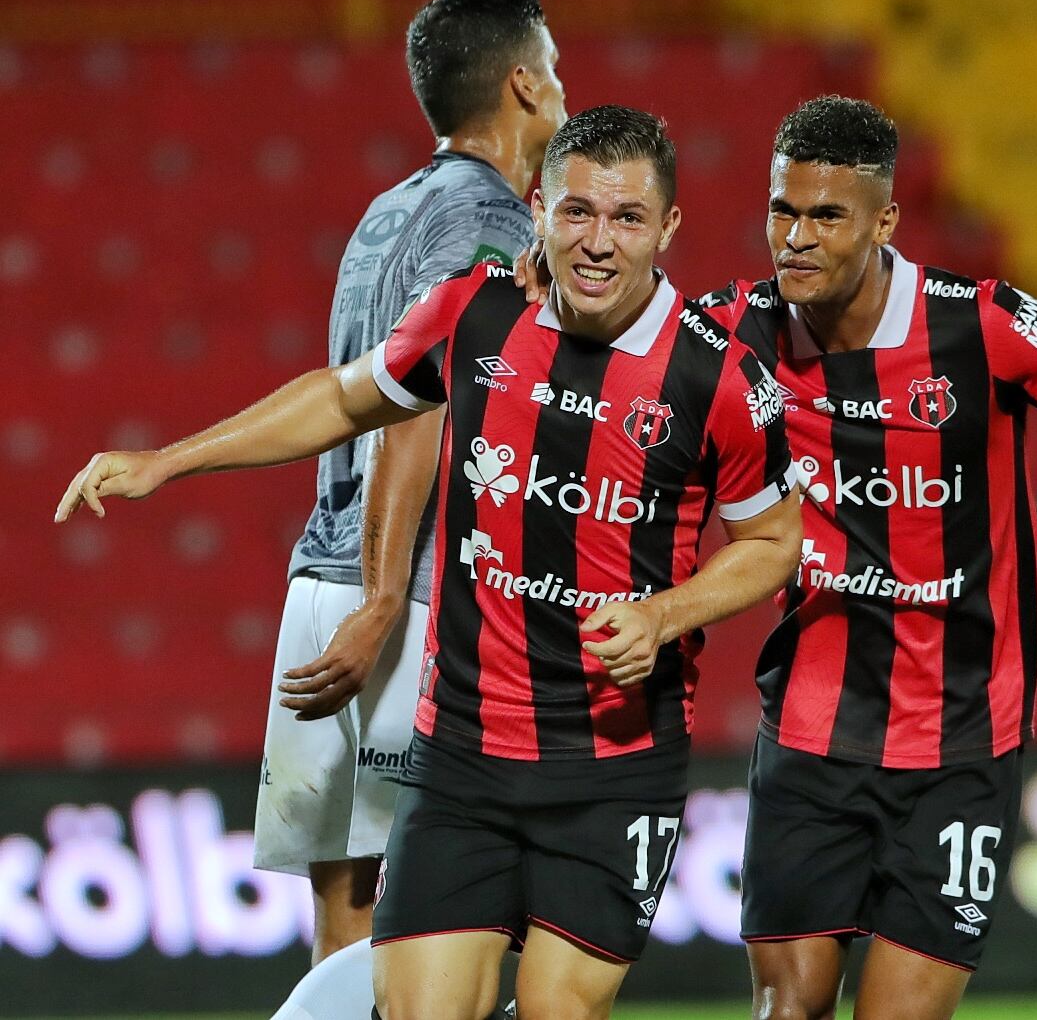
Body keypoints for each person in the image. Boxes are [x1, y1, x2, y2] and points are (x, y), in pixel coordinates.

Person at [57, 106, 802, 1020]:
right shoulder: (475, 311)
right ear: (537, 206)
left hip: (617, 766)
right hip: (462, 758)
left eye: (627, 218)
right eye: (576, 213)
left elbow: (773, 544)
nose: (598, 242)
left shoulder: (719, 377)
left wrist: (663, 616)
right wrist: (165, 460)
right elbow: (340, 399)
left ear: (669, 227)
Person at [514, 94, 1037, 1019]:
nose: (796, 237)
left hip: (962, 743)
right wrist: (540, 287)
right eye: (782, 210)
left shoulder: (981, 325)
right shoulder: (732, 334)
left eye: (827, 216)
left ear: (885, 221)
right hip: (807, 736)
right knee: (786, 1011)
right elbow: (601, 337)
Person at [265, 0, 564, 972]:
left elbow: (353, 391)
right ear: (523, 84)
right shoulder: (491, 222)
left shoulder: (385, 214)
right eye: (554, 70)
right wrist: (389, 601)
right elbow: (419, 405)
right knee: (447, 927)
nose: (563, 91)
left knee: (343, 928)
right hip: (412, 603)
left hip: (321, 581)